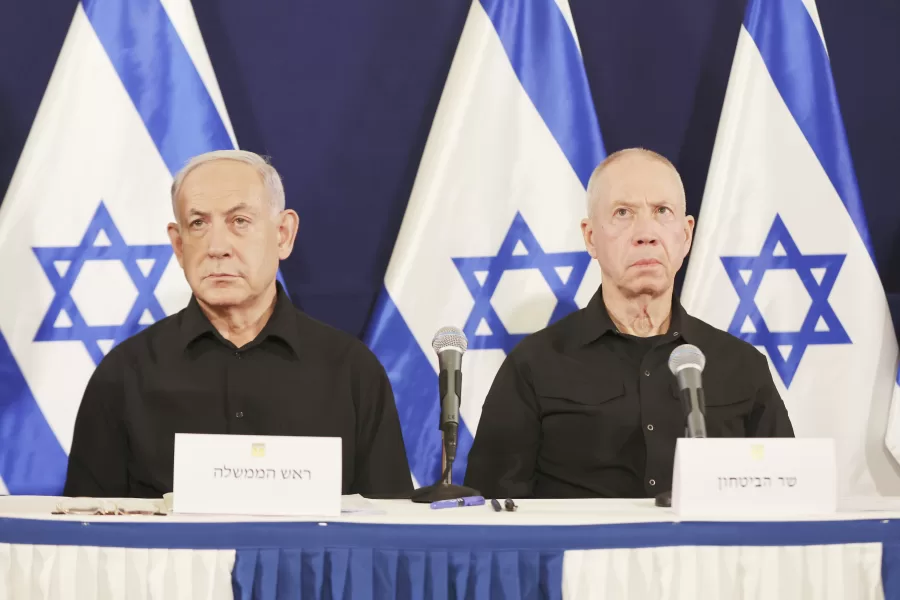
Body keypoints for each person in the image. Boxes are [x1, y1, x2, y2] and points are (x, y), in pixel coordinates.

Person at [63, 150, 412, 498]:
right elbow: (86, 538)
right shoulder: (124, 375)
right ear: (179, 244)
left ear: (283, 234)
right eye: (198, 224)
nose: (217, 247)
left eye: (240, 221)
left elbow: (390, 531)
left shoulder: (351, 372)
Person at [464, 148, 794, 499]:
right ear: (591, 237)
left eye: (662, 212)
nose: (646, 234)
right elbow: (492, 512)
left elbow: (785, 498)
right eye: (623, 213)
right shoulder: (533, 365)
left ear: (686, 235)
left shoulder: (742, 366)